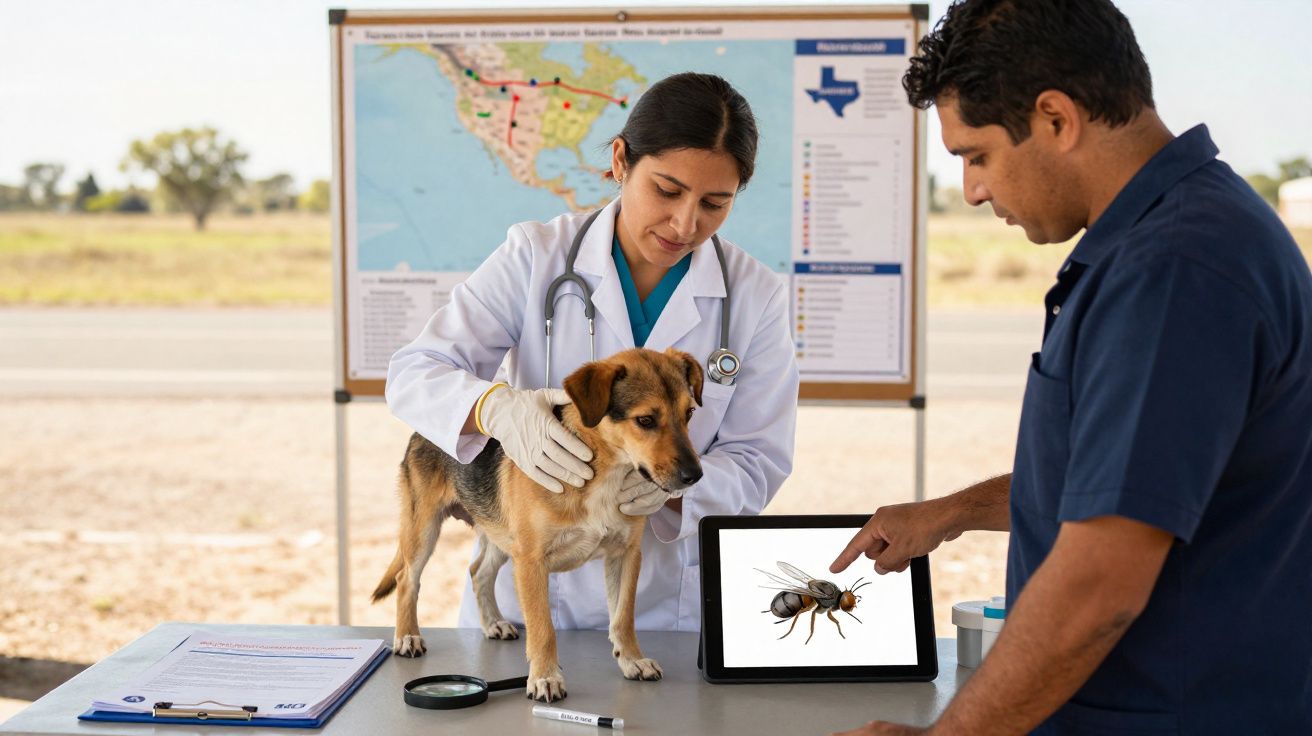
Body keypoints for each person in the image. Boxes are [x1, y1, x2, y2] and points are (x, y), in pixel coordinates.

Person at [829, 1, 1312, 734]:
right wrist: (955, 512)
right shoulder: (1186, 231)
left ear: (1056, 119)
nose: (972, 190)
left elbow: (1100, 581)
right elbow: (1135, 479)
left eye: (976, 155)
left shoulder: (1174, 271)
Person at [386, 72, 799, 634]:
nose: (685, 223)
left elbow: (758, 461)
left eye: (715, 203)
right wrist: (496, 410)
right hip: (522, 601)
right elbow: (415, 372)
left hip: (661, 612)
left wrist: (667, 493)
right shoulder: (537, 256)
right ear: (623, 161)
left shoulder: (754, 297)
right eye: (668, 190)